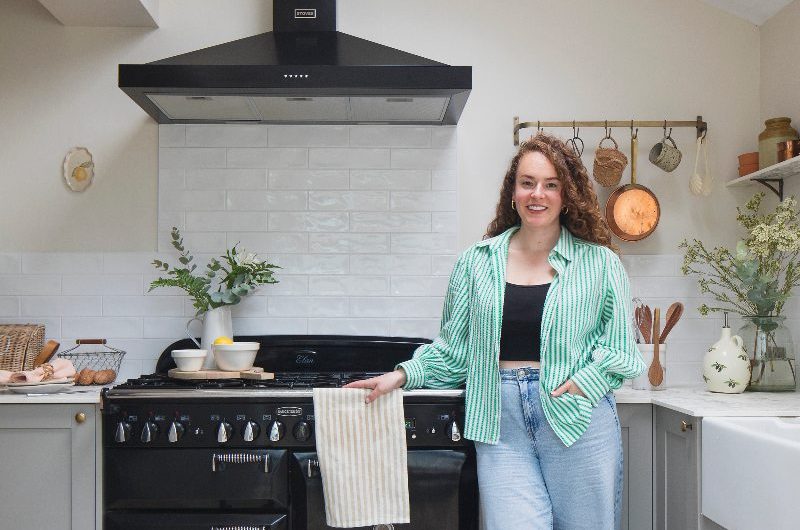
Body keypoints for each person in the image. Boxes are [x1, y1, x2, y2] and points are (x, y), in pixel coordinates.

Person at [345, 133, 645, 530]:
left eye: (551, 184)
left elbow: (622, 350)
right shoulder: (476, 262)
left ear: (567, 193)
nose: (537, 194)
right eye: (527, 182)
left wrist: (582, 382)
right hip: (500, 422)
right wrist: (401, 376)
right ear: (513, 191)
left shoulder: (600, 263)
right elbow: (454, 350)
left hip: (577, 416)